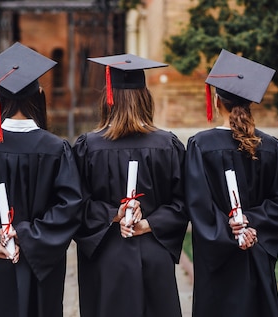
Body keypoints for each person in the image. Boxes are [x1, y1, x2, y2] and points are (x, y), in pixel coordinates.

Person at [0, 42, 82, 317]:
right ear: (38, 95)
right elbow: (70, 207)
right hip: (42, 264)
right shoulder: (55, 148)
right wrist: (29, 236)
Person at [73, 54, 189, 317]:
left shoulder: (87, 147)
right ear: (145, 97)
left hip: (106, 255)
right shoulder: (167, 145)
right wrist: (150, 224)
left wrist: (113, 214)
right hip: (154, 251)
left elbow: (76, 206)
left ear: (108, 98)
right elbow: (184, 203)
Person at [185, 49, 278, 317]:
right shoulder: (271, 147)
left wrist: (229, 228)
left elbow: (198, 204)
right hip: (257, 254)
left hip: (217, 262)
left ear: (216, 100)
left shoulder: (200, 145)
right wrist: (253, 224)